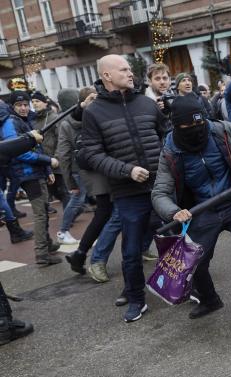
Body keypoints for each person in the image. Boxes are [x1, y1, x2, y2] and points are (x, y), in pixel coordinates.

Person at [151, 95, 231, 318]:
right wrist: (173, 211)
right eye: (187, 126)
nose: (195, 129)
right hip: (203, 210)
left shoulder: (219, 130)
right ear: (176, 125)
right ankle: (209, 299)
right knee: (194, 260)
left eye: (198, 123)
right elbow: (159, 193)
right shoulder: (170, 150)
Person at [82, 54, 166, 323]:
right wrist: (126, 170)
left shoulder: (147, 103)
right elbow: (92, 155)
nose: (131, 73)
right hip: (128, 193)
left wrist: (169, 170)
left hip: (162, 187)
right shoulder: (93, 112)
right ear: (106, 75)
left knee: (176, 240)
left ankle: (187, 285)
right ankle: (136, 298)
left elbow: (167, 138)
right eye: (124, 69)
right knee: (131, 251)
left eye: (130, 69)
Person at [1, 91, 61, 265]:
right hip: (27, 174)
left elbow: (36, 147)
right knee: (41, 213)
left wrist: (47, 169)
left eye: (26, 104)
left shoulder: (23, 121)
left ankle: (47, 245)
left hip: (35, 172)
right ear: (12, 107)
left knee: (43, 208)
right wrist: (48, 161)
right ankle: (42, 254)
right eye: (19, 105)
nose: (24, 108)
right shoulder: (11, 123)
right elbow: (19, 152)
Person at [64, 88, 111, 274]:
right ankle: (83, 254)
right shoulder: (76, 119)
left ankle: (81, 254)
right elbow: (64, 153)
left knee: (107, 214)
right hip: (94, 172)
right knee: (105, 213)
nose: (95, 101)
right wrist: (70, 183)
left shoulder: (99, 113)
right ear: (82, 102)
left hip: (104, 168)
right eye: (91, 98)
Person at [54, 88, 86, 246]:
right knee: (77, 198)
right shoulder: (69, 121)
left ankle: (63, 230)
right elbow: (64, 152)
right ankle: (63, 230)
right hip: (78, 167)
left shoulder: (61, 119)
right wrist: (68, 180)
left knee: (79, 199)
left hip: (76, 166)